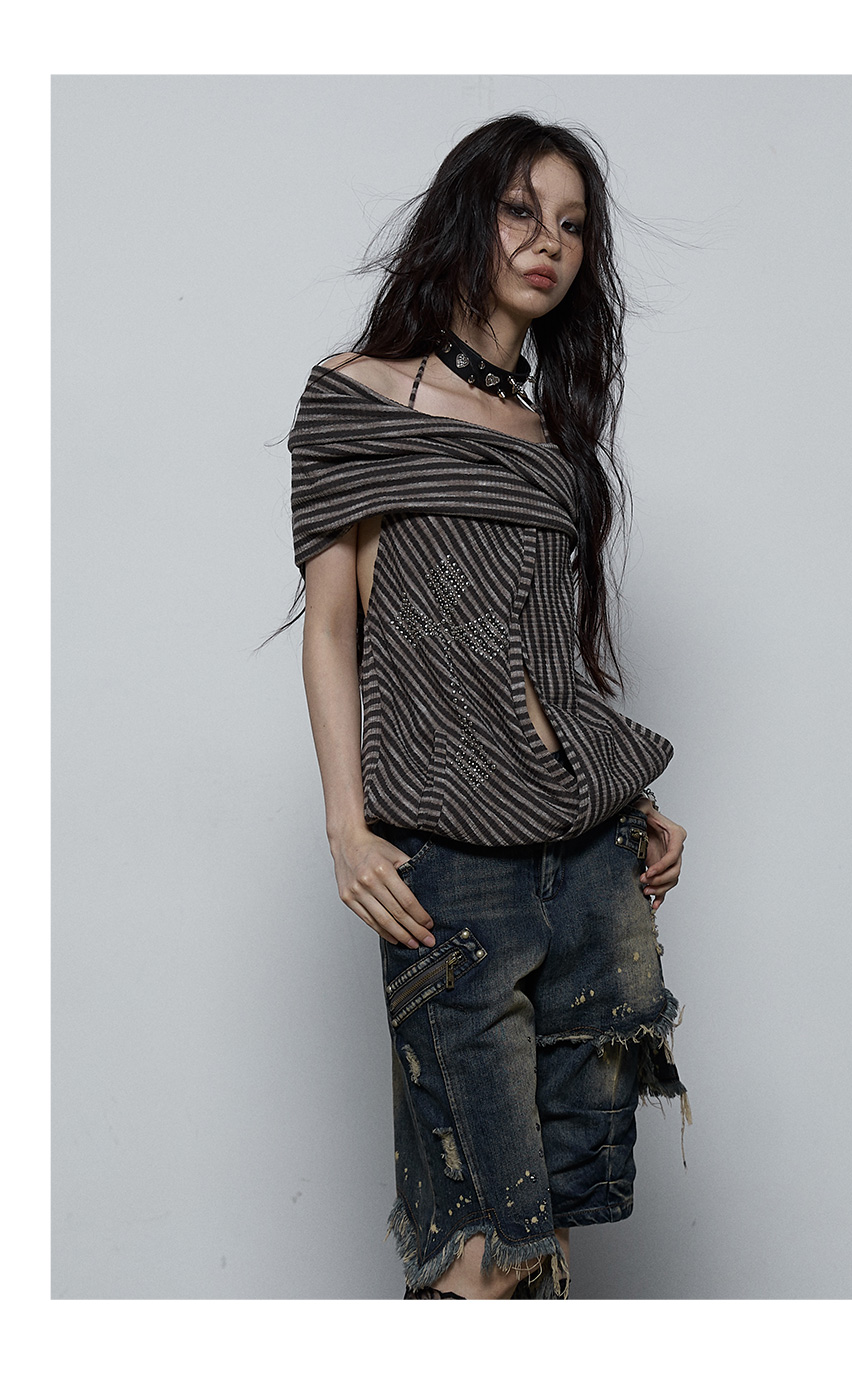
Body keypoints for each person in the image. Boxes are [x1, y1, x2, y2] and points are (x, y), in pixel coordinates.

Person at [284, 113, 691, 1300]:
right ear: (468, 216)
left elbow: (542, 661)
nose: (546, 242)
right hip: (449, 861)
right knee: (482, 1249)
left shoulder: (552, 438)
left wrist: (633, 802)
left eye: (571, 225)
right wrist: (347, 827)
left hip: (590, 861)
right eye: (521, 210)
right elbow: (331, 628)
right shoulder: (357, 396)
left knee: (550, 1237)